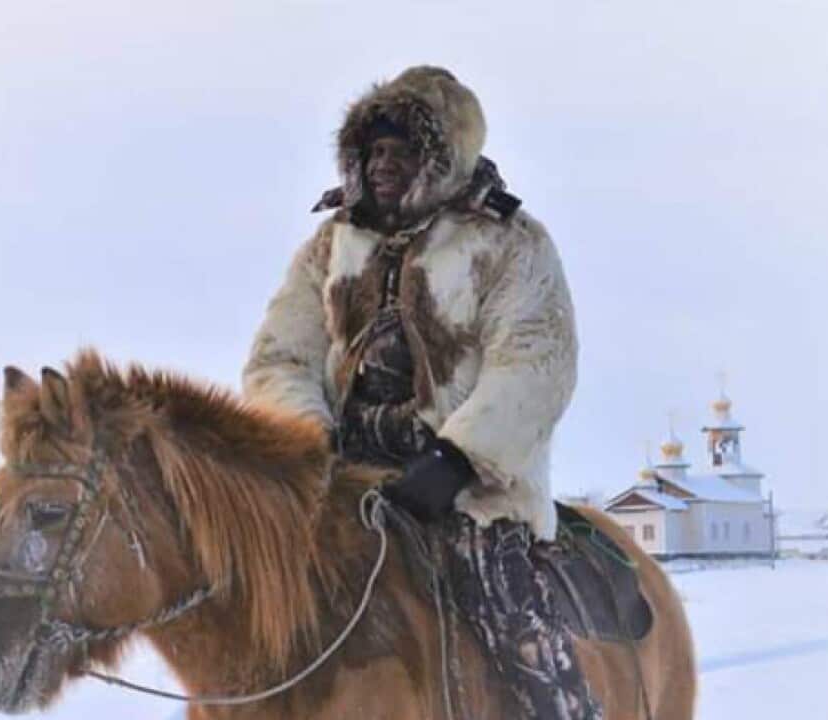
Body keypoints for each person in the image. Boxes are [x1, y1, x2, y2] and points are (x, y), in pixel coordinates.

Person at [243, 66, 599, 719]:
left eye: (400, 151)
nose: (381, 165)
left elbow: (535, 363)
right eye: (372, 151)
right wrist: (306, 436)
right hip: (341, 484)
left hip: (468, 494)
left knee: (514, 629)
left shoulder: (509, 242)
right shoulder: (331, 246)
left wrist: (459, 458)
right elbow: (279, 355)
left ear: (439, 159)